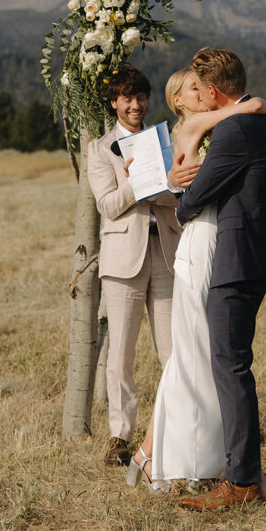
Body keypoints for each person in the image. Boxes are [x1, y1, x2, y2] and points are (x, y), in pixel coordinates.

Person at [125, 67, 266, 492]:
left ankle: (155, 451)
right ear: (180, 102)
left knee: (196, 352)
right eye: (193, 88)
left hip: (215, 240)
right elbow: (252, 108)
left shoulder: (201, 127)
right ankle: (174, 459)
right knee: (194, 352)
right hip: (201, 238)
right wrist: (254, 104)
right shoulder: (192, 125)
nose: (203, 91)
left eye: (203, 85)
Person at [172, 48, 266, 511]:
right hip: (255, 254)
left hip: (237, 258)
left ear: (216, 91)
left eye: (202, 89)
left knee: (231, 364)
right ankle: (242, 471)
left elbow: (199, 192)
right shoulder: (261, 120)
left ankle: (241, 483)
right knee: (232, 361)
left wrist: (180, 203)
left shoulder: (234, 129)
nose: (199, 97)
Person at [87, 65, 181, 467]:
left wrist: (155, 187)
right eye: (127, 98)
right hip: (123, 259)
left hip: (166, 255)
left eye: (141, 98)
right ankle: (120, 436)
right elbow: (107, 205)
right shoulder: (98, 148)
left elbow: (180, 195)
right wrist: (138, 183)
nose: (136, 105)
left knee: (174, 351)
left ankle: (173, 429)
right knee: (120, 354)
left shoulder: (166, 140)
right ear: (114, 102)